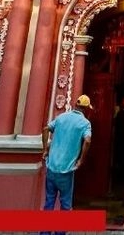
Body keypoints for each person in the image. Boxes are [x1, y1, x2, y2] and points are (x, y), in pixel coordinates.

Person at [41, 95, 93, 234]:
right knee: (65, 205)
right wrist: (81, 160)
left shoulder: (62, 117)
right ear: (86, 109)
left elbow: (46, 128)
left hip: (51, 167)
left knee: (49, 202)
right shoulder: (85, 123)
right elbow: (87, 141)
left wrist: (45, 149)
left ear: (75, 105)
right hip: (66, 170)